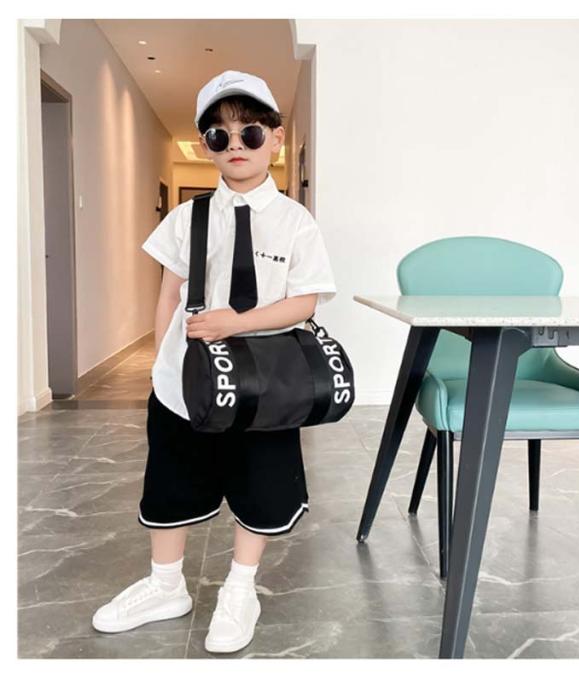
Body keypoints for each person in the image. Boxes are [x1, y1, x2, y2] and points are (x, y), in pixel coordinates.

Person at [91, 70, 337, 654]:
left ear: (276, 138)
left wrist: (236, 323)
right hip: (188, 380)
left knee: (261, 480)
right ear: (205, 146)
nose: (236, 146)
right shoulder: (187, 218)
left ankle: (240, 587)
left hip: (266, 385)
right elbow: (169, 294)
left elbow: (305, 300)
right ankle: (164, 585)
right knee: (171, 479)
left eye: (250, 132)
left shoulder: (296, 222)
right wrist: (163, 364)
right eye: (219, 136)